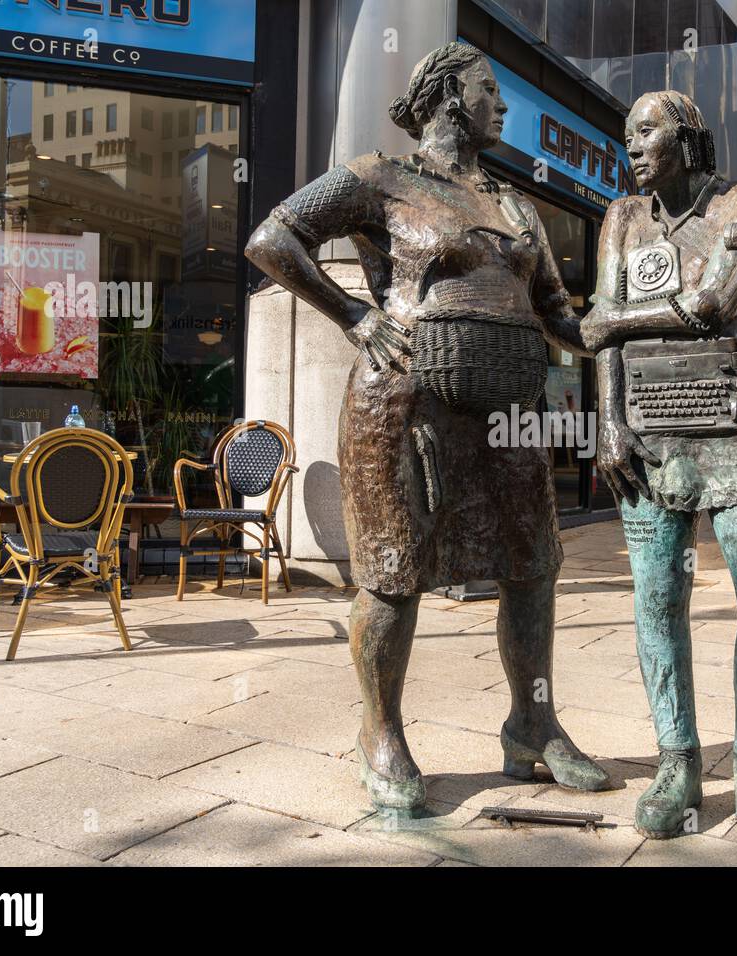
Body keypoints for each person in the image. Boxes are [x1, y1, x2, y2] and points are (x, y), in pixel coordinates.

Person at [245, 42, 609, 814]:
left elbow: (557, 316)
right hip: (403, 403)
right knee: (394, 573)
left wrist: (627, 328)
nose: (502, 105)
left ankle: (533, 725)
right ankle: (381, 734)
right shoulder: (382, 177)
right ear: (449, 95)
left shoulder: (516, 207)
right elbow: (273, 239)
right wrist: (352, 315)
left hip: (508, 410)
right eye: (489, 89)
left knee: (533, 564)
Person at [581, 91, 737, 853]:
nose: (632, 147)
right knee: (657, 601)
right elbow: (600, 330)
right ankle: (677, 764)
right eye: (626, 136)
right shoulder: (622, 217)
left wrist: (610, 320)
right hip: (649, 439)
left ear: (690, 136)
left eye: (646, 132)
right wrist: (608, 422)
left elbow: (716, 302)